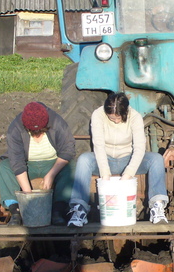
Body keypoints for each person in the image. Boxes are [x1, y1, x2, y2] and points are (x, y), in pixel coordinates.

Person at [68, 92, 168, 227]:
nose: (115, 121)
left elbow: (139, 148)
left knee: (156, 159)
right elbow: (98, 145)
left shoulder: (135, 117)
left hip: (128, 159)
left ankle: (157, 205)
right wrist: (105, 173)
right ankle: (79, 209)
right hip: (105, 159)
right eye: (111, 118)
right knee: (84, 160)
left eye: (118, 118)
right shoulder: (98, 115)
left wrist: (129, 173)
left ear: (125, 111)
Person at [0, 101, 76, 225]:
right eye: (33, 132)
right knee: (3, 168)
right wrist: (28, 197)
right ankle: (16, 211)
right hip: (28, 165)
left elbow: (68, 150)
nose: (37, 135)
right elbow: (17, 161)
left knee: (72, 166)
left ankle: (58, 210)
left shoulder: (57, 122)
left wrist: (51, 175)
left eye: (41, 131)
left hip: (52, 163)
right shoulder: (15, 128)